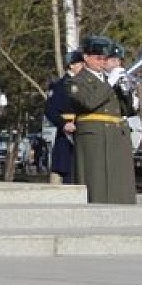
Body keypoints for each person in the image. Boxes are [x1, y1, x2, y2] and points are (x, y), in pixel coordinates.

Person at [66, 35, 136, 204]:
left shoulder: (109, 79)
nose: (102, 62)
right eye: (98, 58)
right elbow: (90, 102)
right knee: (96, 181)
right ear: (86, 57)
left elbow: (126, 111)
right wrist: (110, 83)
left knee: (119, 182)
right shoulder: (76, 82)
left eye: (105, 58)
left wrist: (126, 91)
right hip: (94, 137)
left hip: (116, 136)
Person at [45, 50, 85, 184]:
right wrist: (63, 124)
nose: (83, 67)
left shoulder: (85, 84)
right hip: (67, 134)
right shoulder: (60, 85)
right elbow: (50, 110)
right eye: (80, 64)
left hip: (83, 132)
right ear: (71, 65)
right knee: (70, 174)